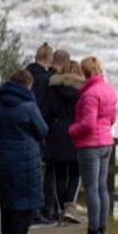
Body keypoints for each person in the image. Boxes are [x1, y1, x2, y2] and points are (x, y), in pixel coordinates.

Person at [0, 69, 48, 234]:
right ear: (27, 85)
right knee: (26, 197)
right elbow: (42, 129)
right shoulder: (29, 106)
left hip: (4, 154)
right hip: (26, 156)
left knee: (7, 197)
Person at [69, 56, 117, 234]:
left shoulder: (90, 94)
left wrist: (72, 130)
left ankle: (93, 230)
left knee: (91, 188)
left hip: (90, 145)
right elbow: (112, 119)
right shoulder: (109, 90)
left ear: (84, 72)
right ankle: (102, 227)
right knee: (102, 187)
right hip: (106, 141)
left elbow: (88, 124)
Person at [44, 60, 84, 224]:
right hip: (76, 131)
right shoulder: (82, 91)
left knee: (60, 174)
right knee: (76, 172)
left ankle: (62, 209)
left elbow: (47, 112)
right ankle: (70, 207)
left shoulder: (52, 89)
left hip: (58, 130)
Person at [27, 42, 54, 224]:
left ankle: (28, 209)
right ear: (49, 59)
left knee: (28, 169)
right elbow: (47, 105)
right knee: (40, 171)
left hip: (23, 126)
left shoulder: (26, 74)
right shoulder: (46, 80)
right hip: (41, 125)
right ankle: (39, 211)